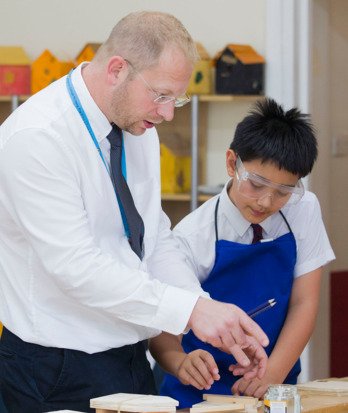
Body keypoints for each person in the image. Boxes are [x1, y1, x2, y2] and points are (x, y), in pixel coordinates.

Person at [0, 11, 269, 413]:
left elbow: (152, 238)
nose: (168, 113)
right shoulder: (37, 138)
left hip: (129, 357)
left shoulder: (137, 127)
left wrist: (203, 310)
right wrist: (191, 310)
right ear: (116, 70)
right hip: (53, 369)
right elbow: (77, 266)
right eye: (161, 95)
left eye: (177, 99)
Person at [149, 98, 335, 408]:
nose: (265, 202)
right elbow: (160, 328)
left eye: (283, 192)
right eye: (257, 184)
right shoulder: (192, 236)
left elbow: (305, 302)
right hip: (198, 396)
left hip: (273, 385)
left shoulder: (303, 209)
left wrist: (272, 374)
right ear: (232, 163)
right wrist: (180, 362)